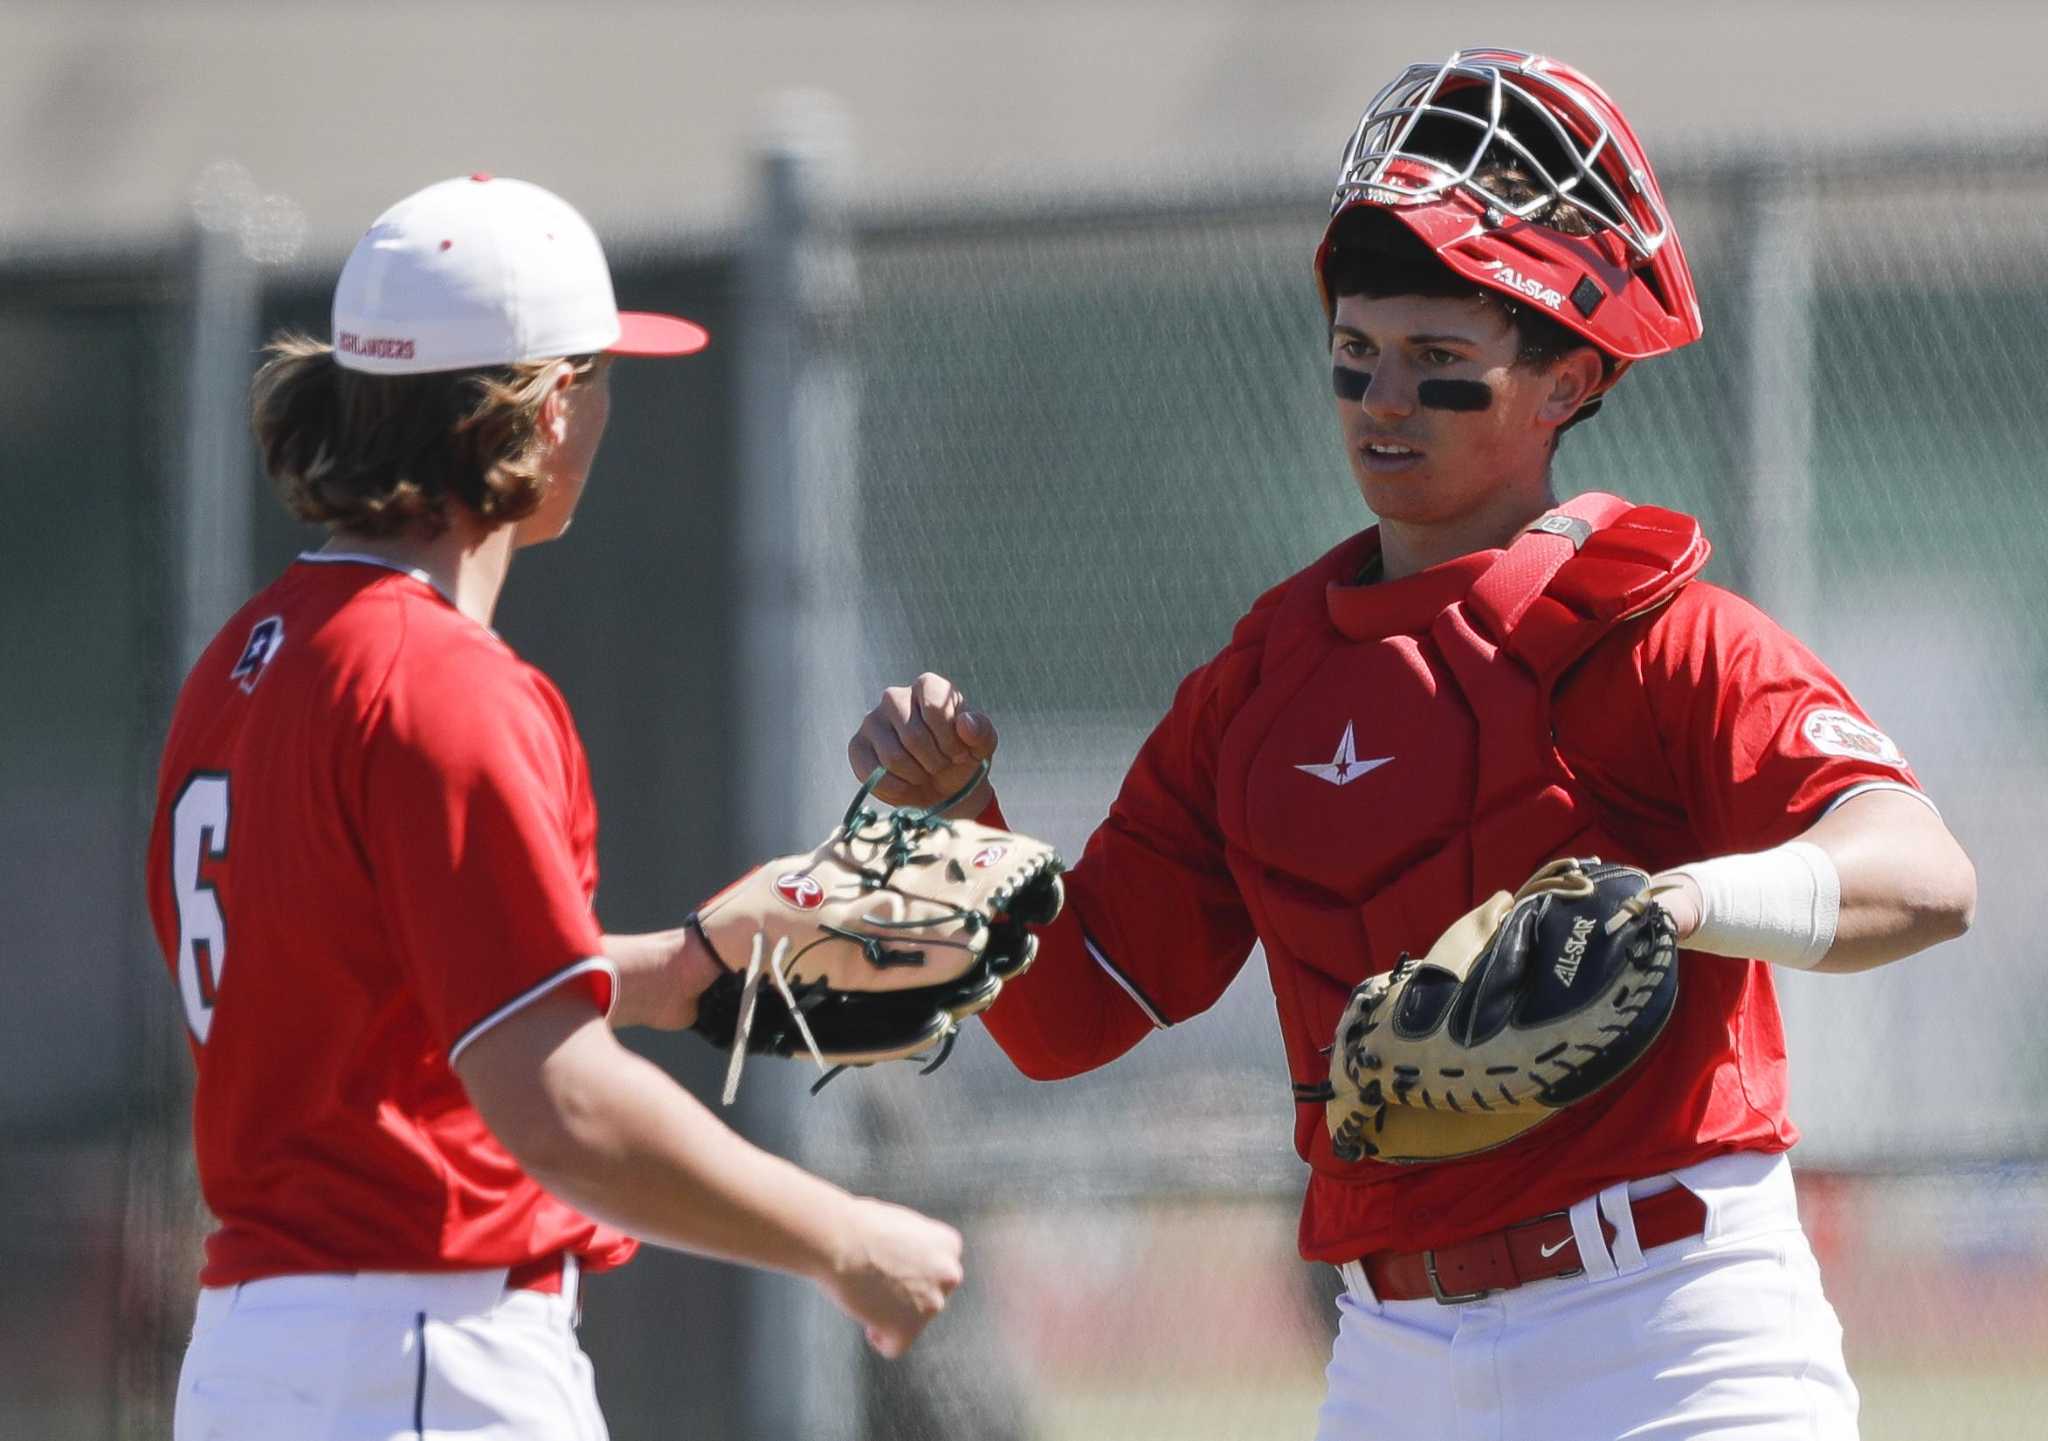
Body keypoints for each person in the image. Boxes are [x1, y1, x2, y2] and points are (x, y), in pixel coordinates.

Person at [848, 49, 1976, 1439]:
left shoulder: (1654, 634)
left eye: (1440, 363)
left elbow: (1923, 873)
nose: (1381, 398)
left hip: (1671, 1323)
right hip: (1395, 1353)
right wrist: (953, 818)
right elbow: (1070, 1019)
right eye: (1356, 353)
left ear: (1566, 379)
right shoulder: (1260, 683)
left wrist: (1681, 902)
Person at [147, 173, 962, 1441]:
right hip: (420, 1351)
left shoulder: (250, 660)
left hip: (254, 1358)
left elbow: (367, 998)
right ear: (548, 406)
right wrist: (843, 1238)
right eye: (599, 374)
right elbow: (561, 1107)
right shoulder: (441, 683)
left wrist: (682, 967)